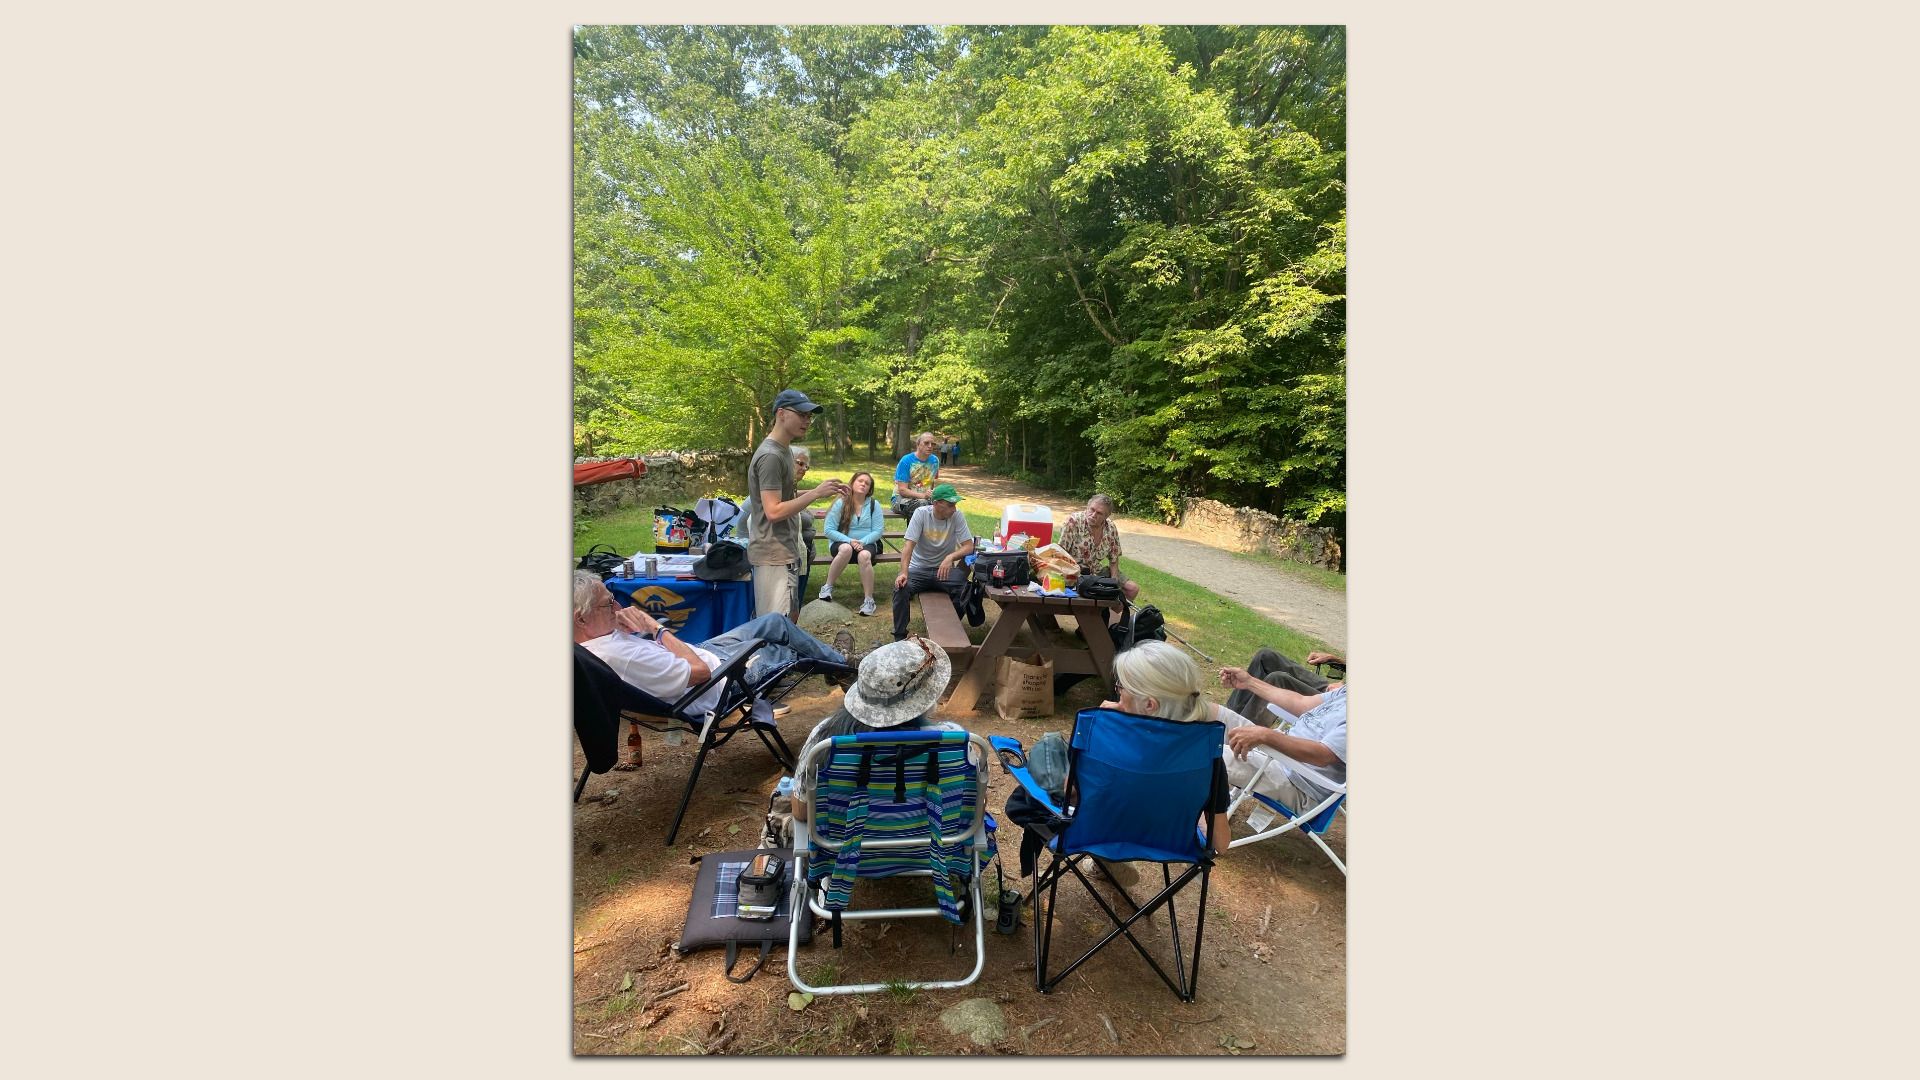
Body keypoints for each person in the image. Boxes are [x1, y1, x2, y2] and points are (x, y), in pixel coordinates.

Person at [572, 570, 855, 718]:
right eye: (608, 604)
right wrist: (655, 628)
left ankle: (840, 665)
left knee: (774, 622)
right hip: (721, 679)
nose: (618, 607)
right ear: (581, 618)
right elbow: (701, 674)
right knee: (789, 650)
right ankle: (847, 667)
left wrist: (626, 628)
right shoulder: (619, 658)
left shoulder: (588, 645)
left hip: (704, 653)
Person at [790, 636, 968, 824]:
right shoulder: (954, 741)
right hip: (934, 842)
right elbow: (971, 806)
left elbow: (801, 812)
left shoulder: (827, 741)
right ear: (927, 697)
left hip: (848, 842)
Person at [1098, 641, 1235, 855]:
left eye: (1121, 687)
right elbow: (1221, 843)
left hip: (1103, 832)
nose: (1118, 693)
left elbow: (1074, 796)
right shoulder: (1207, 758)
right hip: (1173, 843)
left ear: (1149, 705)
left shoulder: (1108, 739)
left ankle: (1107, 862)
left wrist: (1108, 725)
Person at [747, 390, 847, 619]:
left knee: (788, 622)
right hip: (773, 555)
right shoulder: (771, 456)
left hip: (785, 552)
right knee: (775, 627)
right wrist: (815, 494)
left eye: (809, 416)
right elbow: (773, 511)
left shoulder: (783, 450)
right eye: (802, 414)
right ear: (781, 413)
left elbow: (784, 495)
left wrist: (818, 491)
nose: (807, 420)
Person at [1218, 656, 1348, 818]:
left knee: (1203, 753)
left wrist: (1266, 735)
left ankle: (1207, 823)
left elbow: (1322, 755)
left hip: (1298, 781)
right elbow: (1301, 702)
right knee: (1206, 713)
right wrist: (1249, 682)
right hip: (1277, 755)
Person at [891, 482, 976, 641]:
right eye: (950, 505)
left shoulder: (957, 516)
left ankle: (949, 627)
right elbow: (908, 546)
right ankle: (900, 637)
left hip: (943, 571)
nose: (954, 509)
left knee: (966, 589)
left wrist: (950, 557)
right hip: (918, 568)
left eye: (955, 504)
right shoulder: (921, 514)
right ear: (936, 504)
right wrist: (903, 573)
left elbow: (969, 546)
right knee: (900, 587)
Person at [819, 470, 884, 617]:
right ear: (853, 483)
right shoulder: (841, 503)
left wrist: (861, 542)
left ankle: (869, 601)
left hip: (866, 543)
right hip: (842, 542)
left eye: (867, 483)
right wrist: (850, 541)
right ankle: (827, 588)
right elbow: (828, 530)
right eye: (860, 481)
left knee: (864, 556)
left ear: (870, 489)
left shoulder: (874, 504)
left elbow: (878, 531)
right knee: (846, 549)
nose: (863, 484)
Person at [1220, 647, 1346, 719]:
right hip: (1336, 691)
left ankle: (1238, 731)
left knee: (1278, 679)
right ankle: (1231, 717)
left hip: (1339, 704)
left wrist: (1342, 693)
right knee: (1266, 656)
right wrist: (1336, 659)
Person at [1056, 494, 1140, 602]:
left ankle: (1112, 612)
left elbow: (1114, 558)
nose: (1093, 515)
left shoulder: (1110, 528)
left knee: (1132, 589)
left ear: (1106, 516)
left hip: (1097, 571)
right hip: (1074, 572)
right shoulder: (1073, 522)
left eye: (1099, 513)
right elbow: (1060, 554)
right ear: (1087, 507)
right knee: (1089, 595)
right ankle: (1101, 610)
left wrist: (1114, 581)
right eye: (1092, 509)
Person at [790, 444, 820, 617]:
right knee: (789, 608)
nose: (803, 469)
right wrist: (816, 493)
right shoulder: (777, 489)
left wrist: (817, 492)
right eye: (800, 463)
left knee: (796, 607)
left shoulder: (792, 488)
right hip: (789, 561)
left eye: (806, 466)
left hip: (803, 559)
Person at [891, 431, 941, 517]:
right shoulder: (906, 460)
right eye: (926, 443)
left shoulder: (935, 461)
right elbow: (902, 490)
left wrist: (931, 494)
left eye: (933, 444)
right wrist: (923, 496)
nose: (930, 446)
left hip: (925, 499)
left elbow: (931, 482)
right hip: (900, 499)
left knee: (945, 505)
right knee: (923, 505)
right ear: (918, 444)